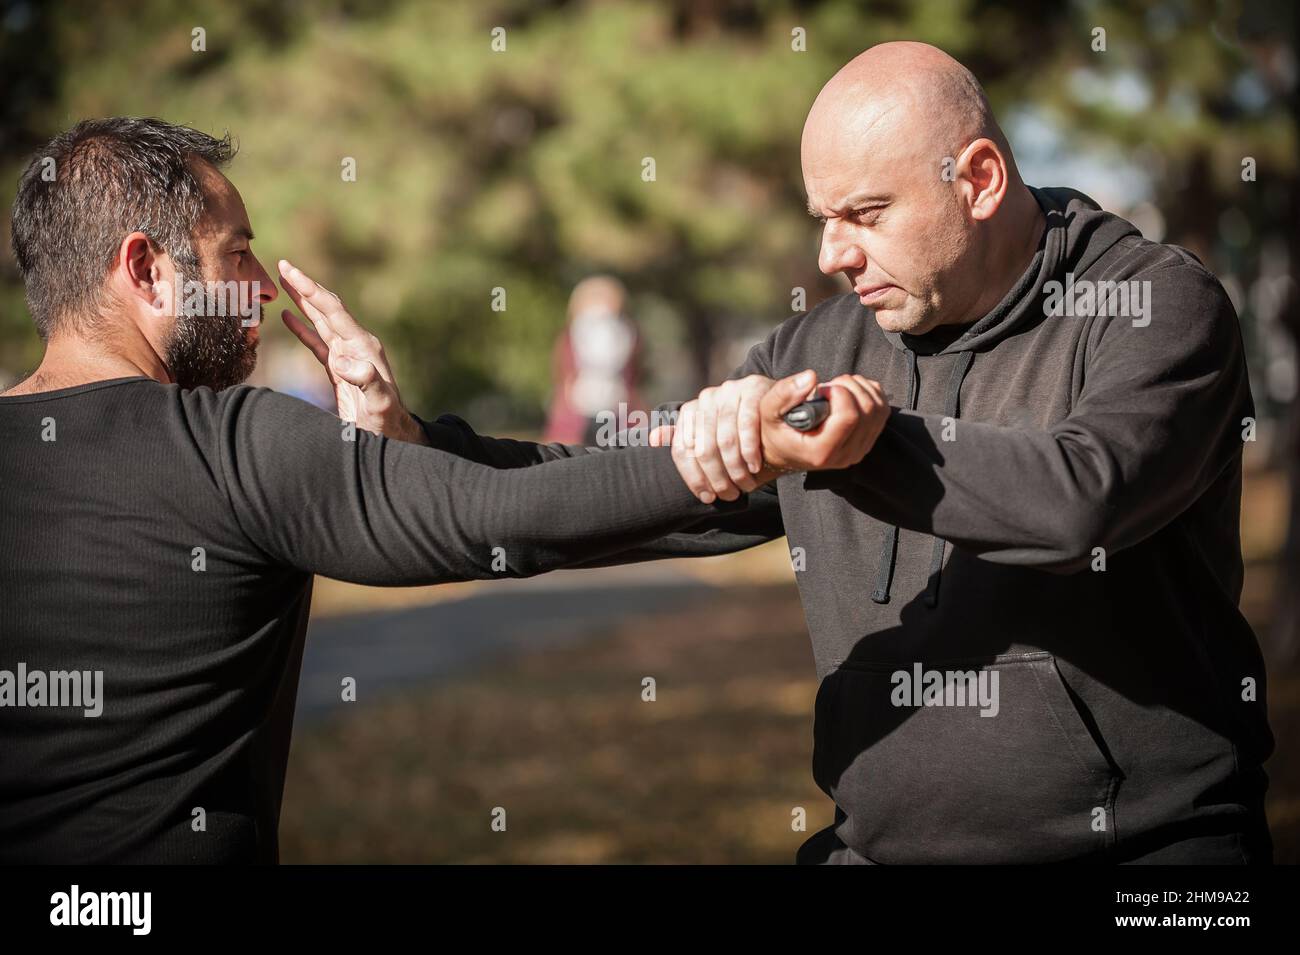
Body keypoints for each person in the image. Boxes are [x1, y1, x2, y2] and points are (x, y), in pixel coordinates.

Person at [337, 42, 1273, 864]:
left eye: (865, 213)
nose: (831, 253)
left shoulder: (1155, 307)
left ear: (980, 179)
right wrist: (421, 448)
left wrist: (852, 447)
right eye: (822, 216)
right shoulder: (813, 353)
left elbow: (1084, 499)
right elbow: (620, 489)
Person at [0, 117, 882, 862]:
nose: (264, 289)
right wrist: (740, 451)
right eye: (237, 254)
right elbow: (500, 520)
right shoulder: (233, 446)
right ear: (147, 270)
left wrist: (400, 447)